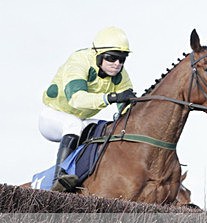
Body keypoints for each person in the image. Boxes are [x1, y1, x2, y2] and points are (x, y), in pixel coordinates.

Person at [39, 27, 136, 192]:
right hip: (52, 116)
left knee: (108, 129)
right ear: (98, 54)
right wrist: (110, 97)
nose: (117, 64)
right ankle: (58, 180)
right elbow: (76, 99)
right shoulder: (79, 61)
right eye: (112, 58)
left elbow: (127, 105)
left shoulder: (120, 74)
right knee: (73, 124)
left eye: (122, 59)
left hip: (81, 120)